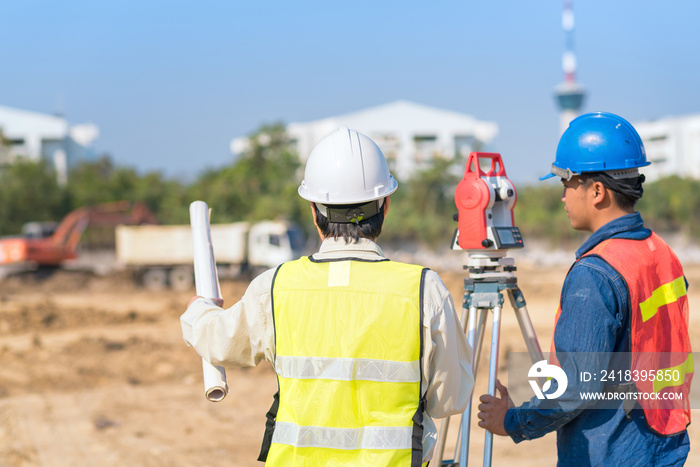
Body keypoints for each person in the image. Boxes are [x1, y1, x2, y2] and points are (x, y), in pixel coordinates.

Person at [181, 127, 474, 466]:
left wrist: (198, 310)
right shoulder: (424, 290)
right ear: (386, 204)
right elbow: (449, 399)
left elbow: (218, 341)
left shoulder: (275, 287)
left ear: (313, 209)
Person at [477, 112, 692, 466]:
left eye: (566, 183)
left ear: (596, 191)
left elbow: (576, 387)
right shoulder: (660, 251)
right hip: (664, 439)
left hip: (612, 451)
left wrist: (513, 422)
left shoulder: (596, 272)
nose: (562, 197)